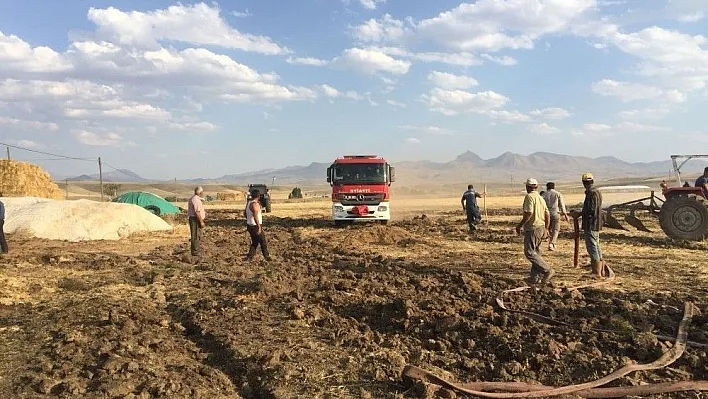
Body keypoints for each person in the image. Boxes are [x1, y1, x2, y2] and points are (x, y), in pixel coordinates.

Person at [515, 178, 553, 284]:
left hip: (533, 227)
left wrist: (520, 225)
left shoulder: (529, 197)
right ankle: (534, 277)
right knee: (536, 252)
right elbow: (547, 214)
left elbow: (529, 213)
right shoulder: (540, 198)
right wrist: (546, 228)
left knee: (529, 252)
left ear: (528, 187)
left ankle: (547, 270)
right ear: (536, 187)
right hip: (541, 227)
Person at [570, 173, 606, 278]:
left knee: (592, 247)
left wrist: (579, 213)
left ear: (583, 182)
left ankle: (597, 272)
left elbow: (591, 210)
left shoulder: (591, 193)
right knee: (596, 246)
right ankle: (601, 270)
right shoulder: (597, 192)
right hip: (596, 222)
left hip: (591, 223)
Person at [245, 189, 271, 261]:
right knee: (263, 241)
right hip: (255, 226)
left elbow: (245, 213)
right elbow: (255, 216)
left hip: (249, 225)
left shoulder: (248, 203)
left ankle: (249, 257)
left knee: (255, 242)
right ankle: (267, 257)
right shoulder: (255, 204)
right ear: (258, 196)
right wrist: (259, 227)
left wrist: (249, 220)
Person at [542, 182, 568, 252]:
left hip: (546, 213)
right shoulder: (557, 193)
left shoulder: (544, 194)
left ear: (547, 187)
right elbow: (562, 205)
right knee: (556, 229)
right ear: (553, 187)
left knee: (548, 228)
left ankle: (548, 242)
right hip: (555, 212)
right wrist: (565, 214)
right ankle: (552, 243)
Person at [187, 186, 206, 257]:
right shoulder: (196, 200)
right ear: (200, 192)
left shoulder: (194, 198)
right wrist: (201, 221)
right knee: (195, 235)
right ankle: (195, 252)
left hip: (194, 218)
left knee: (197, 235)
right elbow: (197, 212)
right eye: (202, 192)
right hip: (195, 219)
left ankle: (196, 250)